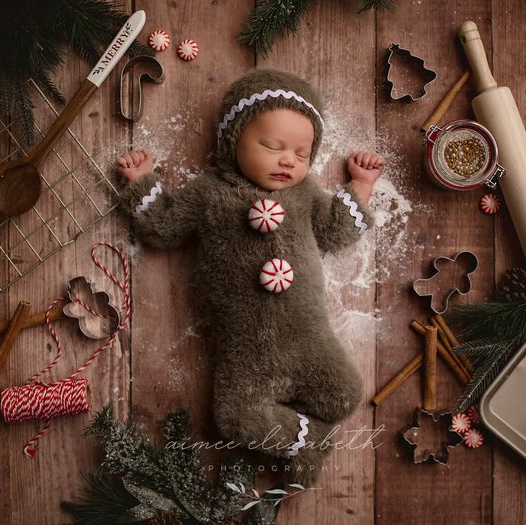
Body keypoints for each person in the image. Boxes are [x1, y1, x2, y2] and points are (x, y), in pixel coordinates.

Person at [117, 69, 383, 485]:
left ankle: (307, 431)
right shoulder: (210, 192)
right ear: (232, 140)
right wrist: (141, 184)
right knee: (234, 417)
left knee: (343, 395)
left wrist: (361, 186)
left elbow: (336, 231)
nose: (287, 160)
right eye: (272, 146)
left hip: (306, 336)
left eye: (300, 152)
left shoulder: (306, 194)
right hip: (246, 352)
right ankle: (305, 439)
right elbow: (163, 227)